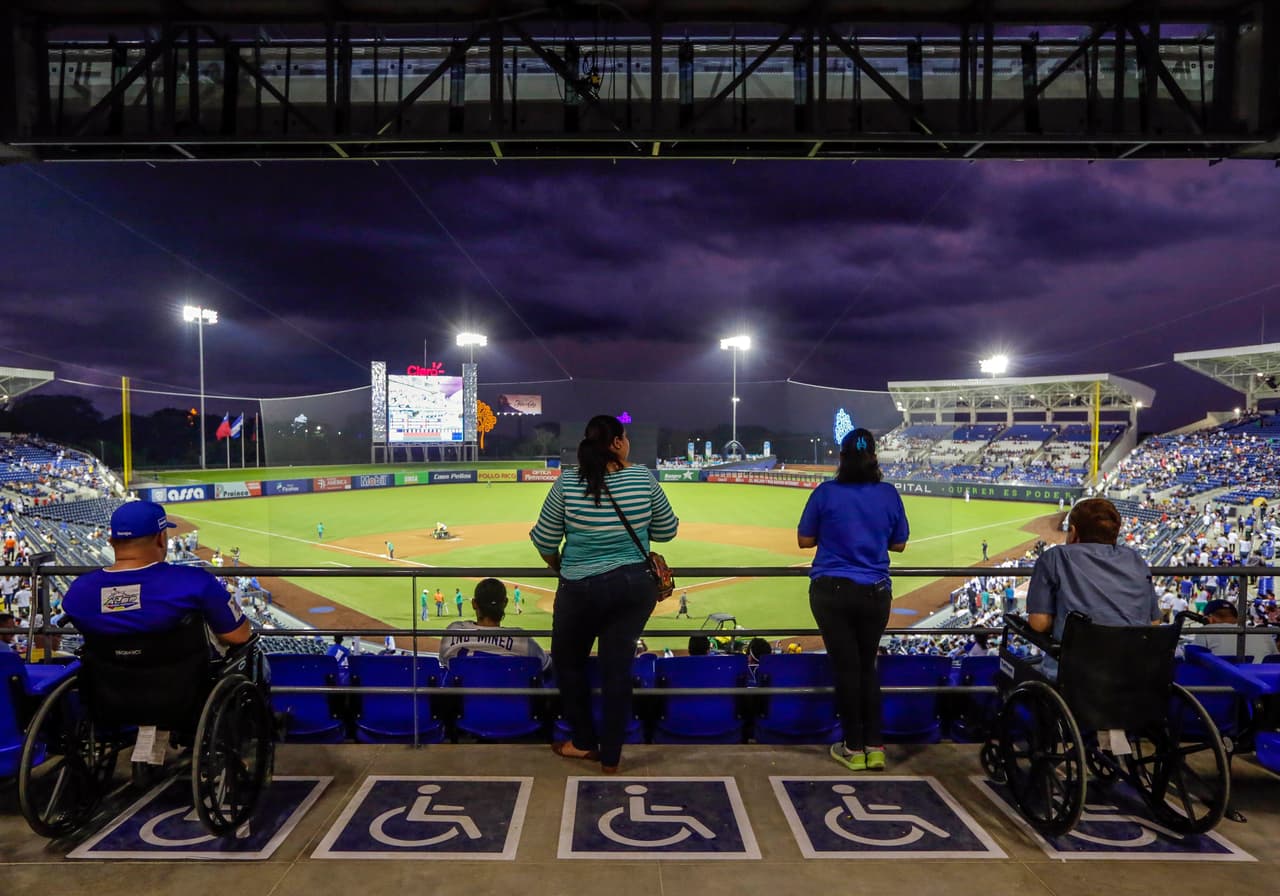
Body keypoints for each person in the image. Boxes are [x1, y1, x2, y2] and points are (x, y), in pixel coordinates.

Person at [531, 414, 679, 774]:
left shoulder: (567, 483)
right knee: (617, 670)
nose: (627, 442)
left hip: (579, 588)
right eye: (624, 437)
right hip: (633, 586)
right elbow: (668, 529)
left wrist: (563, 568)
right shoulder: (642, 477)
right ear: (616, 443)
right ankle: (611, 757)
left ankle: (584, 742)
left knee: (568, 663)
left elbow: (546, 541)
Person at [797, 428, 908, 773]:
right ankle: (875, 748)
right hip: (875, 592)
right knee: (866, 668)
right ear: (874, 457)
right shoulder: (888, 493)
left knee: (846, 669)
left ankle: (853, 748)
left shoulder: (826, 492)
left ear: (841, 458)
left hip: (832, 592)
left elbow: (804, 540)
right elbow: (899, 543)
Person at [60, 502, 251, 646]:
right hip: (182, 692)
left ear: (111, 541)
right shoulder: (196, 582)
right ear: (161, 539)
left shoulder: (79, 590)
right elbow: (239, 635)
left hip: (105, 691)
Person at [1026, 497, 1162, 678]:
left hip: (1074, 677)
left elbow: (1039, 623)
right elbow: (1154, 622)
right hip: (1133, 676)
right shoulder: (1136, 560)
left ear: (1073, 532)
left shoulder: (1055, 557)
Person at [437, 578, 549, 670]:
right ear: (505, 603)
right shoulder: (521, 639)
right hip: (508, 697)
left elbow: (444, 665)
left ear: (474, 604)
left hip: (464, 696)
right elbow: (547, 666)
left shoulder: (453, 631)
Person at [1187, 598, 1278, 663]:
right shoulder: (1263, 634)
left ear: (1209, 619)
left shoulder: (1207, 631)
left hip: (1223, 685)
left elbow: (1193, 660)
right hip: (1266, 684)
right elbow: (1275, 659)